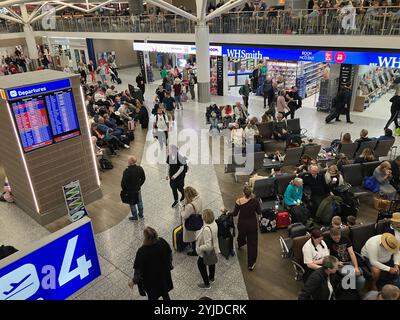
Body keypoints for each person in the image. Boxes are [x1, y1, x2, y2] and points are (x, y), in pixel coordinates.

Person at [224, 185, 262, 271]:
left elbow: (235, 214)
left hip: (242, 223)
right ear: (251, 192)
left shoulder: (239, 201)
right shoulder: (255, 201)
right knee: (252, 243)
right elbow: (259, 212)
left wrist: (227, 213)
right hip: (252, 224)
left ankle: (240, 244)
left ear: (243, 193)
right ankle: (251, 264)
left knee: (241, 235)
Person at [129, 227, 173, 300]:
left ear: (145, 238)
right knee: (164, 293)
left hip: (151, 282)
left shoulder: (142, 252)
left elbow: (139, 271)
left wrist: (133, 281)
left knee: (153, 297)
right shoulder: (162, 242)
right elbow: (169, 254)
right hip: (163, 276)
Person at [325, 227, 365, 291]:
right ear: (331, 236)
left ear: (340, 234)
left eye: (338, 237)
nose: (337, 239)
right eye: (335, 238)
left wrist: (356, 267)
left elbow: (352, 254)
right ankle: (349, 292)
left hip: (349, 262)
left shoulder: (345, 239)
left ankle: (355, 293)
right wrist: (336, 263)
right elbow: (328, 257)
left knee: (361, 280)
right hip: (339, 264)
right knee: (351, 274)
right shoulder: (327, 241)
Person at [196, 209, 220, 289]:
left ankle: (206, 284)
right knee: (212, 262)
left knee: (200, 264)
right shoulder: (214, 223)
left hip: (206, 251)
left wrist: (200, 248)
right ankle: (211, 277)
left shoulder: (206, 229)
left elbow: (208, 246)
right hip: (214, 248)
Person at [121, 156, 146, 221]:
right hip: (138, 189)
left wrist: (124, 189)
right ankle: (141, 214)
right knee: (139, 202)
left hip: (130, 191)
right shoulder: (140, 168)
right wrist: (139, 185)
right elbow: (143, 178)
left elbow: (123, 182)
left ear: (130, 162)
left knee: (132, 204)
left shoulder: (127, 171)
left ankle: (135, 217)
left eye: (128, 160)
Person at [180, 186, 202, 256]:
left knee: (192, 236)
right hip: (199, 218)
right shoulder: (199, 198)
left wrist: (182, 210)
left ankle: (194, 251)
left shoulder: (190, 206)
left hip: (191, 222)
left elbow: (184, 215)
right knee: (197, 234)